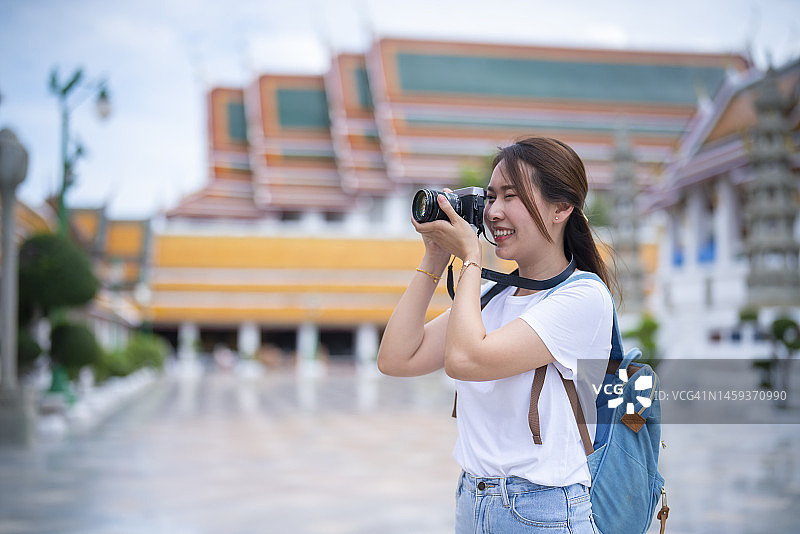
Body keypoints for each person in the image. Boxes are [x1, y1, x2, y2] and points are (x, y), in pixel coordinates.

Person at [377, 136, 614, 534]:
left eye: (511, 196)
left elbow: (467, 360)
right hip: (472, 498)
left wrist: (471, 258)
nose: (494, 212)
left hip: (543, 510)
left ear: (561, 208)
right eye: (490, 198)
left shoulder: (583, 296)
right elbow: (396, 359)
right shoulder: (490, 298)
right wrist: (434, 257)